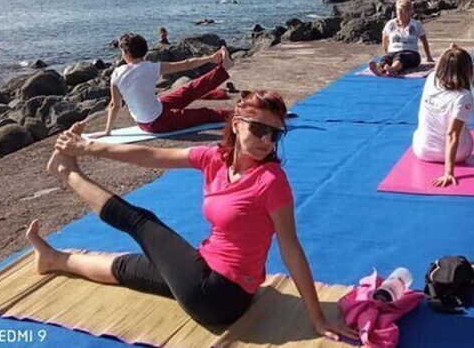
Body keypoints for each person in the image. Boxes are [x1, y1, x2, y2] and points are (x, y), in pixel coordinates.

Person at [26, 91, 358, 341]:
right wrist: (90, 146)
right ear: (237, 123)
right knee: (127, 267)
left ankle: (67, 173)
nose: (267, 141)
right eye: (259, 129)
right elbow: (151, 155)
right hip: (202, 270)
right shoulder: (215, 157)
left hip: (220, 294)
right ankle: (54, 259)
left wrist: (317, 317)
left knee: (142, 223)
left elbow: (290, 248)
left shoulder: (271, 182)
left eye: (275, 134)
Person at [94, 33, 232, 136]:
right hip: (155, 122)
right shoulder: (152, 67)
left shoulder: (117, 73)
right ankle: (239, 114)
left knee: (187, 90)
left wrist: (107, 131)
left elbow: (114, 105)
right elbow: (186, 64)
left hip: (154, 115)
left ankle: (223, 68)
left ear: (127, 53)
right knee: (205, 114)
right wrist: (210, 58)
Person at [411, 44, 474, 187]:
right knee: (464, 129)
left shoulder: (431, 79)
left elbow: (440, 64)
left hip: (422, 151)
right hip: (459, 155)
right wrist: (448, 172)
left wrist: (449, 52)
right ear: (466, 70)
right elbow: (452, 134)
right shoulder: (463, 96)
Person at [369, 0, 434, 77]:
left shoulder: (416, 24)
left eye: (402, 10)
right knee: (386, 59)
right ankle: (379, 69)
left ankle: (392, 69)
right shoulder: (390, 24)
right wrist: (387, 52)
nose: (399, 13)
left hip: (411, 53)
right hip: (393, 51)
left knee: (401, 57)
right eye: (398, 10)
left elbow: (424, 41)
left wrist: (428, 57)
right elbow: (385, 39)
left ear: (409, 12)